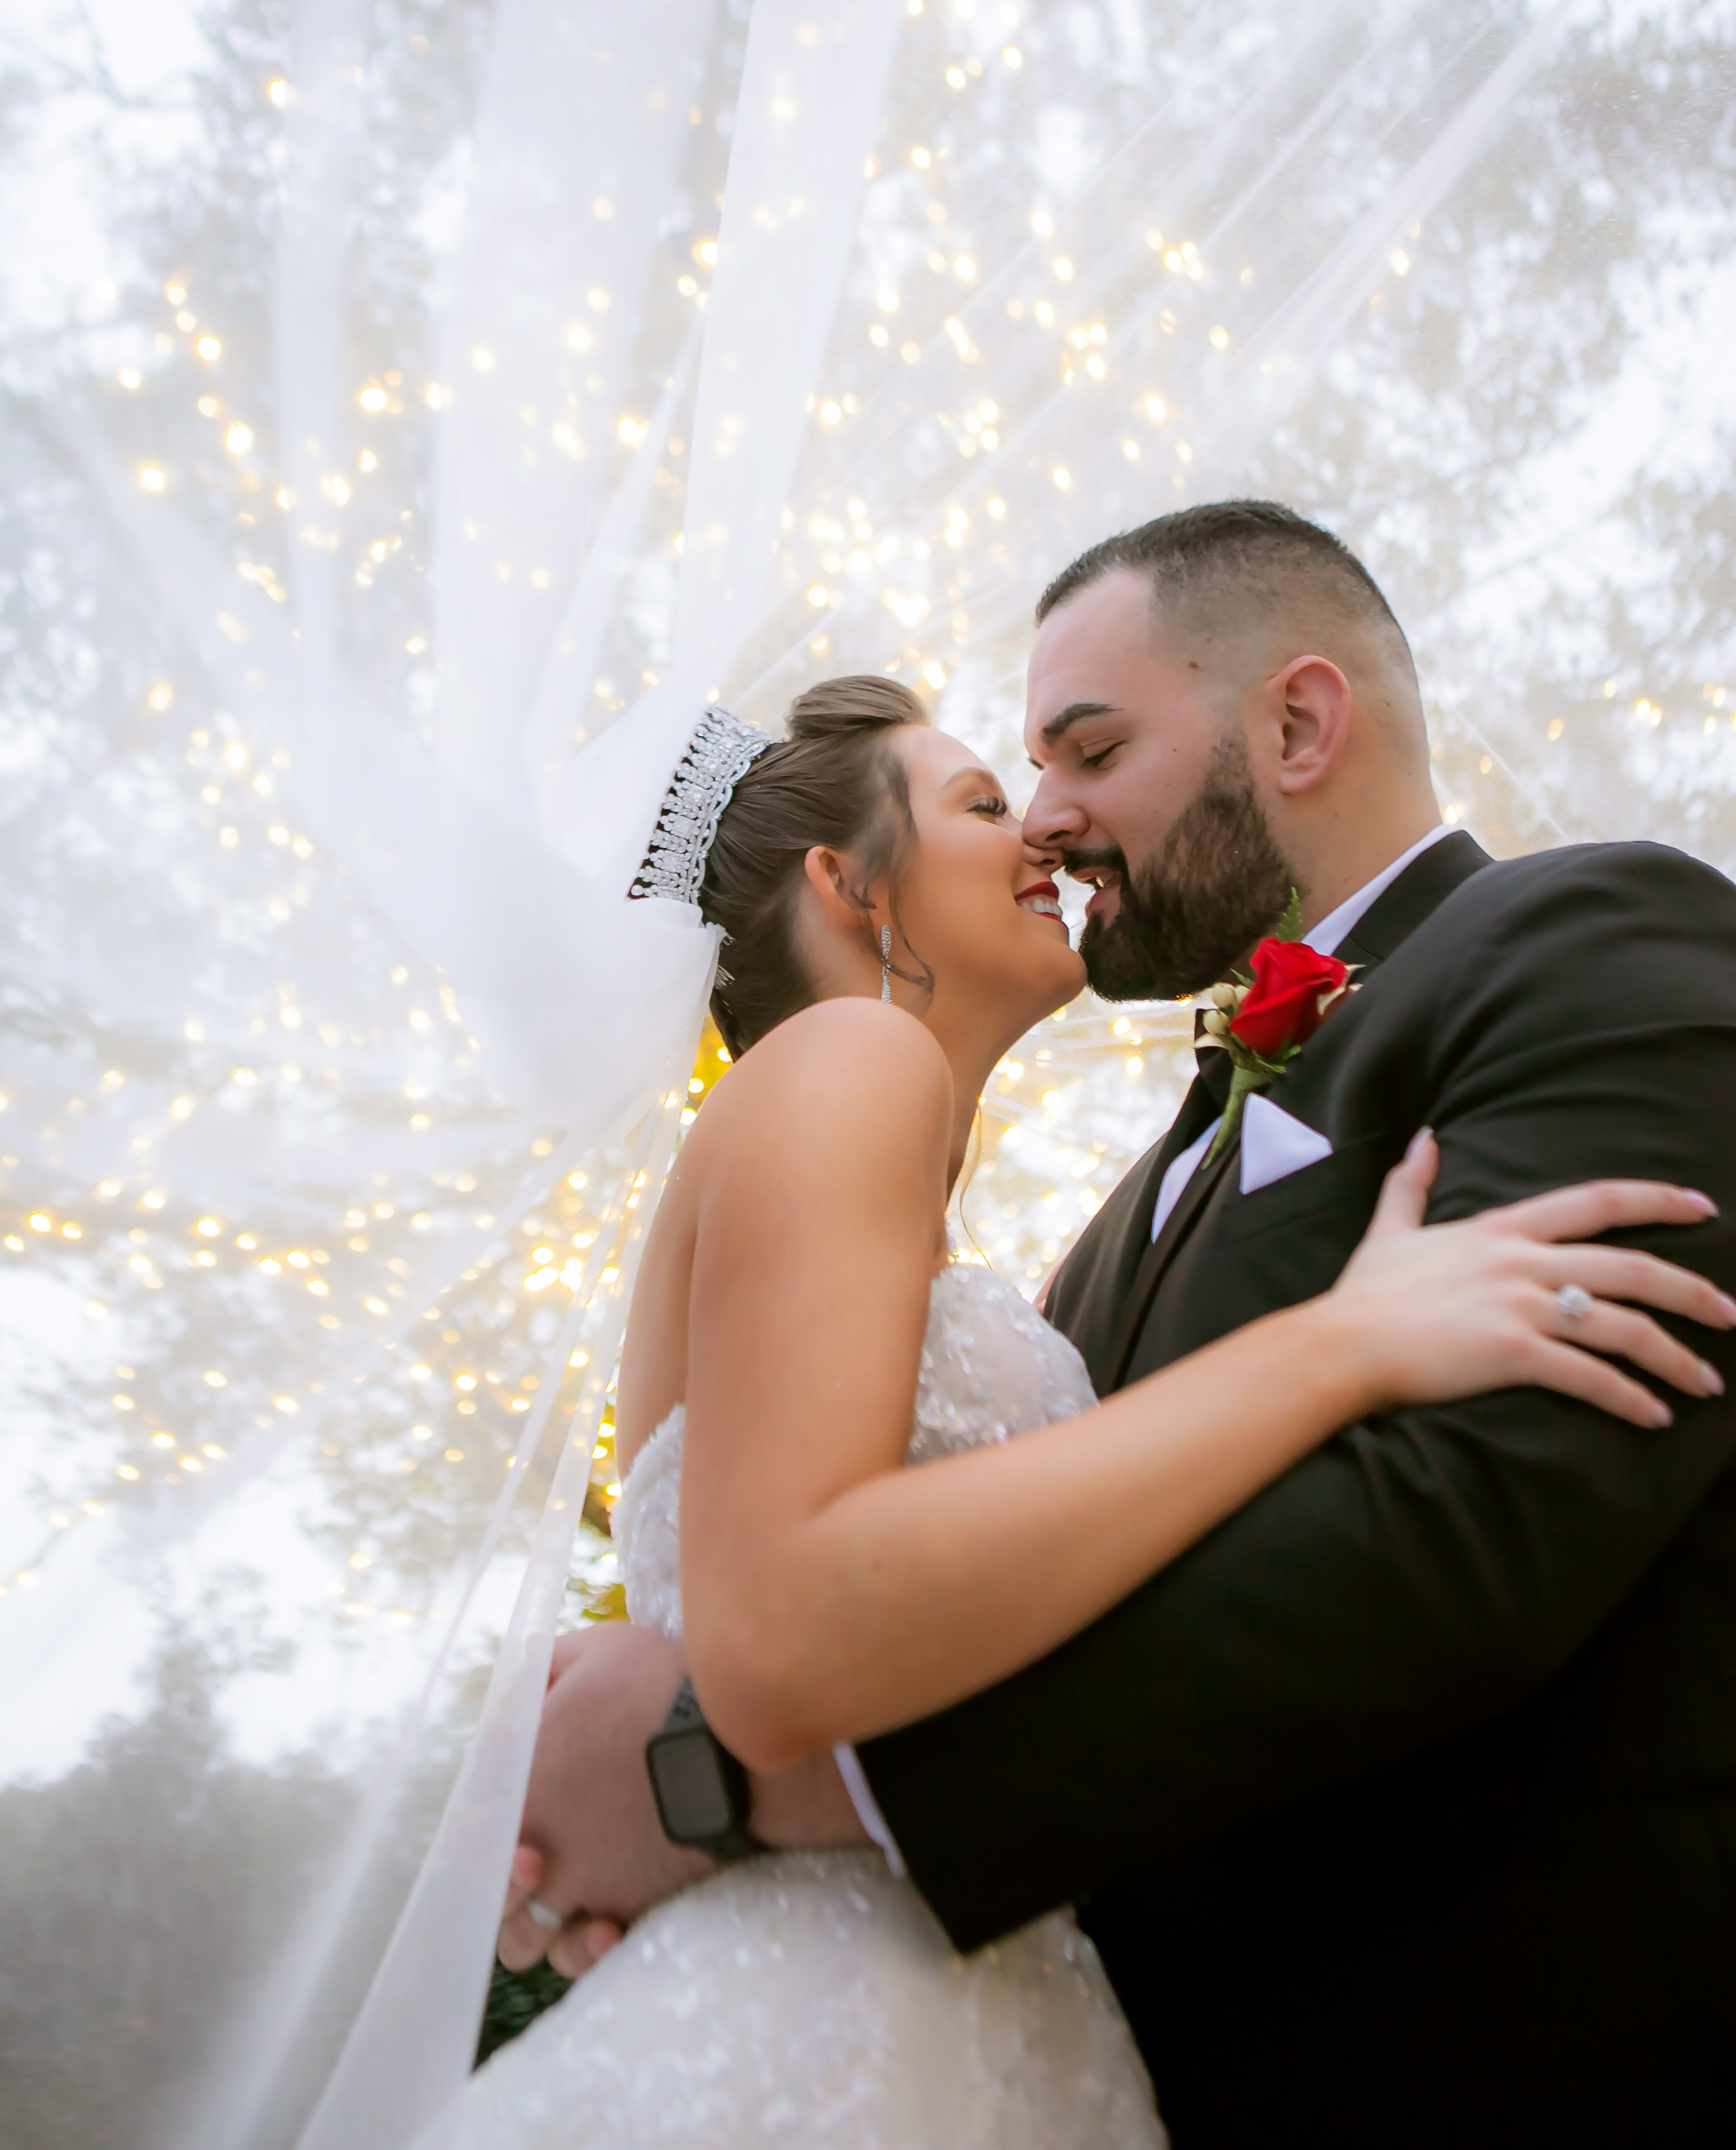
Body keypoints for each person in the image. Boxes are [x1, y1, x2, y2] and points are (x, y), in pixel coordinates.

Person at [435, 547, 1731, 2145]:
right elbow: (874, 1597)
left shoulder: (1590, 938)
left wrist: (716, 1783)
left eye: (1086, 752)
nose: (1045, 817)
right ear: (850, 891)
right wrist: (1342, 1342)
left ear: (1298, 726)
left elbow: (1461, 1531)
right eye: (1000, 789)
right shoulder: (944, 1150)